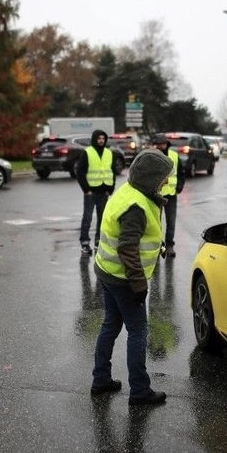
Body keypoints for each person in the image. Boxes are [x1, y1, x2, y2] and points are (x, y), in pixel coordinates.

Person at [91, 149, 173, 406]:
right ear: (151, 177)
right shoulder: (136, 206)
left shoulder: (129, 191)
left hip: (108, 272)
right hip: (123, 279)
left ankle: (101, 380)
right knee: (138, 332)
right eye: (164, 177)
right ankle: (139, 391)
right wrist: (138, 284)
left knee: (110, 325)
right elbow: (127, 247)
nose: (167, 181)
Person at [76, 129, 117, 255]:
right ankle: (85, 243)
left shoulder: (109, 153)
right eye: (99, 138)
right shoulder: (88, 152)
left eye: (103, 138)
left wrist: (110, 189)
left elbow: (112, 171)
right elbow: (80, 172)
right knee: (87, 218)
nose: (101, 141)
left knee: (102, 219)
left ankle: (98, 242)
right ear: (94, 139)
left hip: (104, 192)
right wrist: (86, 189)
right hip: (91, 192)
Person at [151, 134, 184, 258]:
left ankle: (169, 245)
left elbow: (181, 173)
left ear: (167, 144)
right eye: (158, 144)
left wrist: (179, 186)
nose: (161, 146)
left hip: (171, 194)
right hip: (156, 195)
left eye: (162, 144)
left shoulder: (174, 155)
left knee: (171, 222)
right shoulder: (152, 156)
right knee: (156, 222)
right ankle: (158, 246)